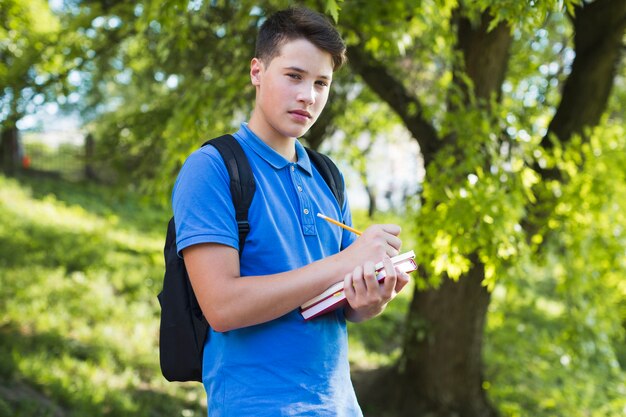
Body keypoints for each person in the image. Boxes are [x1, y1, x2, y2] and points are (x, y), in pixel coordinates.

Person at [172, 6, 410, 416]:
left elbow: (344, 305)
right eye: (294, 76)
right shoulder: (213, 167)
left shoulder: (327, 175)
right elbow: (222, 307)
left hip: (339, 406)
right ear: (257, 72)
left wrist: (371, 297)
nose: (309, 95)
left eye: (322, 82)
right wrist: (346, 261)